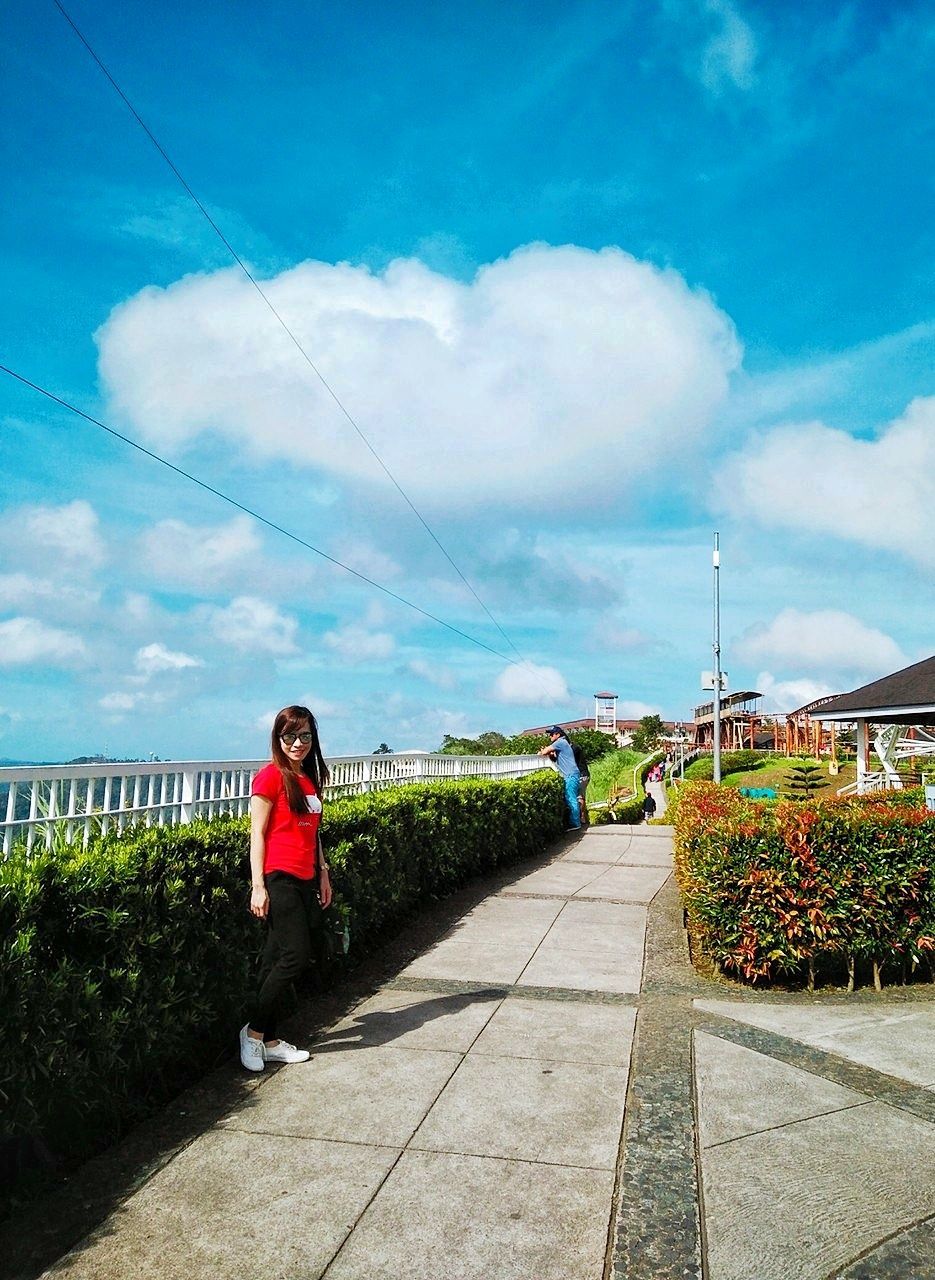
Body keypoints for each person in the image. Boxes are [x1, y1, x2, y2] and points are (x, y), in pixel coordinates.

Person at [239, 705, 332, 1072]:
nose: (298, 743)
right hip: (278, 877)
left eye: (305, 736)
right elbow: (257, 835)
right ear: (278, 739)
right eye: (290, 736)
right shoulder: (269, 778)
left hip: (305, 878)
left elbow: (314, 832)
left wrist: (323, 872)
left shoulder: (308, 780)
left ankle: (271, 1041)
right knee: (295, 955)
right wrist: (258, 886)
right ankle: (254, 1034)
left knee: (275, 960)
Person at [538, 726, 581, 830]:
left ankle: (575, 824)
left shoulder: (560, 742)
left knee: (571, 799)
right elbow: (554, 758)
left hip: (570, 775)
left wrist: (543, 751)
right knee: (571, 798)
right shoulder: (563, 743)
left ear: (558, 734)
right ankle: (575, 822)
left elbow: (544, 752)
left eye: (552, 734)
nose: (550, 736)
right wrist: (550, 754)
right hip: (572, 774)